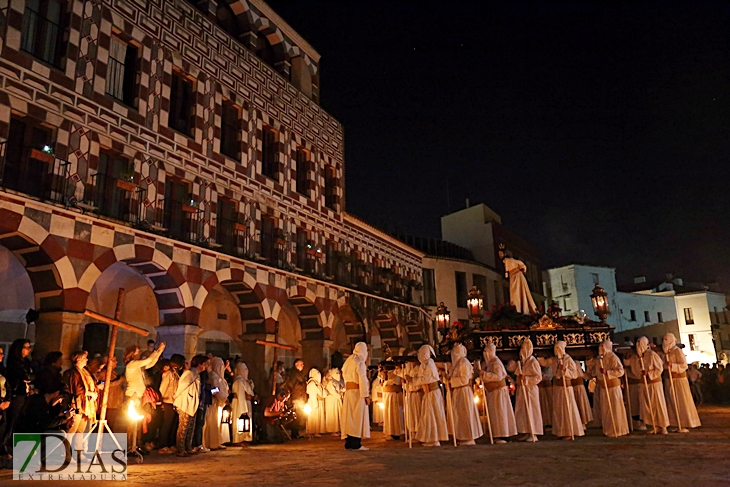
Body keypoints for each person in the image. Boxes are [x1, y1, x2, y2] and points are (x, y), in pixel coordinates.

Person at [626, 337, 669, 434]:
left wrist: (649, 373)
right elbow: (632, 366)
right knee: (648, 406)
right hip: (644, 384)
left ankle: (663, 426)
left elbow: (659, 368)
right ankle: (654, 424)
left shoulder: (652, 355)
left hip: (654, 384)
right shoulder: (637, 357)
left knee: (658, 404)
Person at [410, 344, 448, 447]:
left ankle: (434, 439)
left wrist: (413, 380)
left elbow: (426, 378)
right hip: (428, 392)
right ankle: (430, 437)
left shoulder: (429, 363)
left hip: (432, 393)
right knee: (428, 415)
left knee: (431, 415)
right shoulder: (425, 364)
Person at [662, 333, 701, 431]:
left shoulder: (677, 351)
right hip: (670, 380)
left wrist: (672, 366)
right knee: (672, 402)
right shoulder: (666, 353)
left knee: (681, 400)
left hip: (679, 381)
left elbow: (684, 365)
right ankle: (675, 423)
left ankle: (685, 423)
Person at [545, 341, 584, 440]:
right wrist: (558, 371)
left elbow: (574, 374)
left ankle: (570, 431)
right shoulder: (555, 360)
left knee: (567, 408)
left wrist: (565, 371)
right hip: (558, 388)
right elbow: (554, 373)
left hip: (566, 388)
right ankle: (561, 431)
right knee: (559, 409)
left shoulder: (568, 359)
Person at [480, 343, 517, 443]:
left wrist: (485, 374)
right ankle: (497, 433)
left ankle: (503, 434)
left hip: (499, 392)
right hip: (493, 392)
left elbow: (498, 376)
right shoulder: (490, 363)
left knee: (501, 412)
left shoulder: (496, 362)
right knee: (495, 413)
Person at [447, 343, 482, 445]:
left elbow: (464, 379)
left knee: (466, 414)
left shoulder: (464, 362)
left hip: (464, 391)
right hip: (459, 391)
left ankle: (469, 436)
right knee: (460, 415)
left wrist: (452, 381)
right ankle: (462, 436)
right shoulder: (458, 364)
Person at [592, 340, 629, 437]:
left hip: (613, 387)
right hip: (604, 388)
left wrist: (607, 372)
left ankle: (618, 429)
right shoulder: (599, 359)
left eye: (602, 346)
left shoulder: (613, 357)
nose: (601, 349)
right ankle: (608, 429)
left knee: (615, 408)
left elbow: (620, 371)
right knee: (606, 409)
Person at [3, 339, 34, 451]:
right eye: (26, 347)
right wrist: (27, 378)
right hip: (17, 395)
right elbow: (26, 377)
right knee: (12, 421)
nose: (29, 350)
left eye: (29, 347)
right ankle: (5, 446)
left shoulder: (26, 362)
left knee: (19, 421)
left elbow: (30, 377)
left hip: (24, 394)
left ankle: (13, 445)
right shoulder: (14, 363)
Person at [173, 355, 207, 457]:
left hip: (192, 404)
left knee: (190, 427)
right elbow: (183, 385)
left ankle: (188, 447)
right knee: (183, 427)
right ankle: (181, 449)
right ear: (199, 364)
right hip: (185, 404)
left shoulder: (196, 374)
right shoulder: (190, 373)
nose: (206, 366)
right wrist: (176, 396)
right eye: (205, 363)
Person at [67, 351, 99, 452]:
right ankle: (66, 454)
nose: (87, 360)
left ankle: (79, 453)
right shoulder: (73, 373)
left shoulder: (85, 372)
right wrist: (90, 393)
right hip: (77, 404)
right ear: (78, 359)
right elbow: (77, 389)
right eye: (85, 358)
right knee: (72, 430)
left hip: (86, 405)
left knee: (80, 431)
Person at [341, 342, 370, 450]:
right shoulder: (359, 362)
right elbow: (362, 379)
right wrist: (366, 395)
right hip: (357, 392)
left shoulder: (348, 360)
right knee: (356, 417)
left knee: (349, 417)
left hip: (349, 392)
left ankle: (349, 442)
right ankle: (355, 443)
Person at [512, 338, 542, 442]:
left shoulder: (533, 362)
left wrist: (527, 379)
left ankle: (534, 432)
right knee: (523, 411)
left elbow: (538, 377)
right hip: (522, 389)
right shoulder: (523, 362)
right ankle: (525, 430)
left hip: (530, 389)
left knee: (531, 410)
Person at [499, 244, 537, 314]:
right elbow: (522, 265)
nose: (500, 255)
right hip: (516, 276)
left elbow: (507, 270)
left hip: (515, 277)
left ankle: (518, 309)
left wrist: (507, 275)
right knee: (518, 292)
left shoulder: (507, 260)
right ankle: (519, 308)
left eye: (501, 254)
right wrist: (522, 270)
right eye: (499, 254)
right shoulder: (509, 260)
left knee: (516, 293)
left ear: (504, 254)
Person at [158, 354, 184, 454]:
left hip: (174, 402)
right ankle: (163, 445)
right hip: (168, 401)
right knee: (167, 424)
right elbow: (163, 388)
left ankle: (171, 444)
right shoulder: (168, 374)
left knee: (173, 424)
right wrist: (164, 399)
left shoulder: (176, 374)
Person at [202, 357, 229, 450]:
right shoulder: (213, 375)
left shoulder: (218, 376)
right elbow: (214, 389)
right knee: (212, 422)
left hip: (219, 403)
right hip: (213, 403)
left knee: (217, 423)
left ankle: (216, 441)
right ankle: (210, 442)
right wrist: (220, 395)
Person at [231, 362, 254, 444]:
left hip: (247, 403)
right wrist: (243, 409)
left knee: (246, 422)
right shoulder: (239, 381)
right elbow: (240, 395)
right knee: (240, 421)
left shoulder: (244, 381)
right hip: (240, 404)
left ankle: (245, 438)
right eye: (244, 369)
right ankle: (238, 439)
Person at [381, 365, 404, 440]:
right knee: (388, 414)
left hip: (393, 397)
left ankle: (395, 432)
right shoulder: (386, 377)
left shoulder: (395, 376)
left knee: (394, 414)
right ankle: (390, 431)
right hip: (388, 397)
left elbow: (395, 383)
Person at [623, 348, 644, 429]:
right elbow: (626, 363)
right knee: (633, 405)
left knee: (640, 404)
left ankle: (642, 422)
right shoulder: (631, 358)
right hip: (631, 385)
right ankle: (635, 422)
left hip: (640, 383)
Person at [286, 359, 307, 439]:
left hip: (299, 396)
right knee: (296, 416)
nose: (303, 366)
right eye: (301, 364)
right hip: (297, 397)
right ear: (296, 364)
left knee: (299, 416)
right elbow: (293, 385)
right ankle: (294, 433)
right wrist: (303, 384)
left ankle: (296, 433)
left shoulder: (298, 374)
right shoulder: (294, 374)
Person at [305, 368, 326, 436]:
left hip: (319, 401)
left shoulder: (317, 383)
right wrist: (315, 404)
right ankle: (313, 430)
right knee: (314, 417)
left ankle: (317, 430)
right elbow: (312, 394)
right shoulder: (312, 384)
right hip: (314, 402)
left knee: (318, 417)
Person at [323, 368, 343, 436]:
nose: (338, 375)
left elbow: (340, 389)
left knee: (337, 414)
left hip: (337, 399)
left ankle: (338, 429)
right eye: (336, 373)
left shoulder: (337, 381)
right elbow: (332, 391)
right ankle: (333, 430)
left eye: (339, 373)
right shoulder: (331, 382)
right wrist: (339, 395)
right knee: (333, 415)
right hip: (332, 400)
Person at [538, 364, 553, 429]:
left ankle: (551, 421)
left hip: (548, 385)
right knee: (542, 403)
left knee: (550, 403)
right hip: (541, 386)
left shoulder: (549, 366)